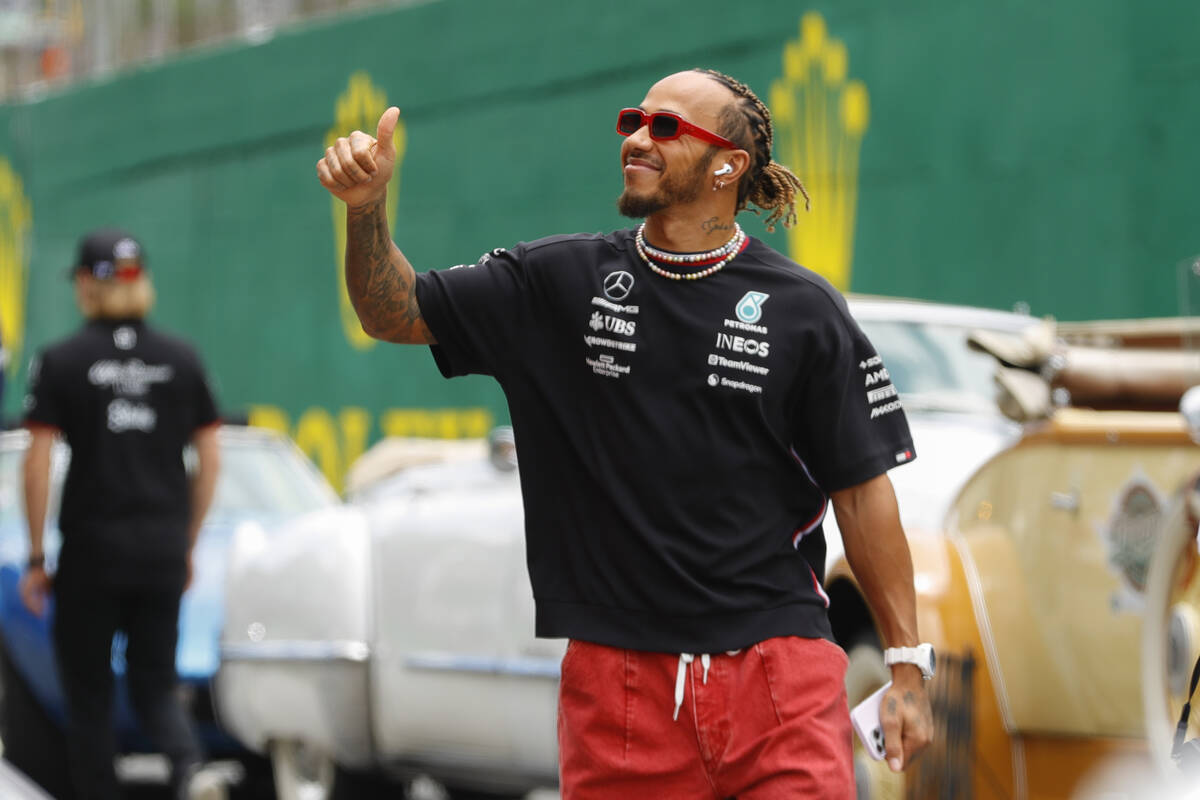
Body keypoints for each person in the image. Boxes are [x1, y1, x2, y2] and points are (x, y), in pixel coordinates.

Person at [318, 68, 934, 798]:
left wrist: (906, 665)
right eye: (633, 121)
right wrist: (367, 208)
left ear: (728, 166)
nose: (638, 138)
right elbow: (394, 312)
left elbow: (863, 495)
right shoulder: (556, 281)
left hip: (779, 677)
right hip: (619, 691)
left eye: (666, 128)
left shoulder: (805, 310)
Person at [20, 229, 222, 800]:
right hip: (161, 549)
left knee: (88, 696)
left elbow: (37, 464)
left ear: (87, 284)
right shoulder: (181, 358)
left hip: (92, 551)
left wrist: (36, 557)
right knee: (155, 684)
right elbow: (210, 458)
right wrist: (187, 541)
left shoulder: (62, 360)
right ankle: (189, 768)